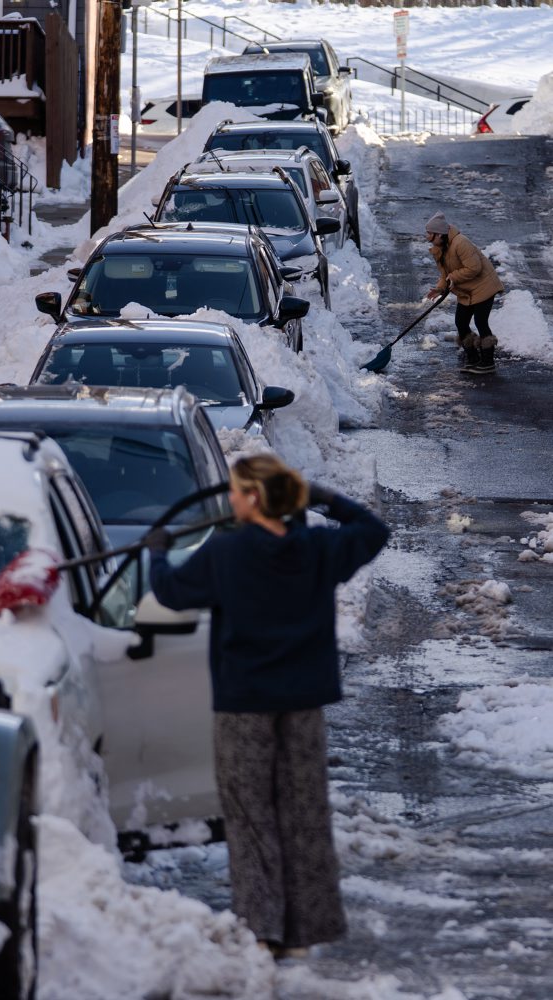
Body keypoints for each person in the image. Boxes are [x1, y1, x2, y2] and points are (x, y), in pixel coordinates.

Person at [145, 454, 389, 959]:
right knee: (304, 811)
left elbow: (170, 593)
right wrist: (323, 497)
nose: (230, 499)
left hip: (244, 704)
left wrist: (157, 554)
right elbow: (372, 530)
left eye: (237, 491)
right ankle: (305, 930)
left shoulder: (226, 554)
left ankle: (262, 929)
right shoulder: (317, 548)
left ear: (254, 498)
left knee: (250, 813)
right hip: (302, 701)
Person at [425, 211, 504, 374]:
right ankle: (473, 359)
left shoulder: (461, 243)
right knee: (461, 322)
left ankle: (488, 362)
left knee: (481, 321)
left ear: (439, 234)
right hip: (467, 291)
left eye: (430, 234)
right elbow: (445, 274)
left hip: (484, 286)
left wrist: (453, 276)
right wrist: (439, 288)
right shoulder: (440, 248)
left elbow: (474, 268)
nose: (427, 237)